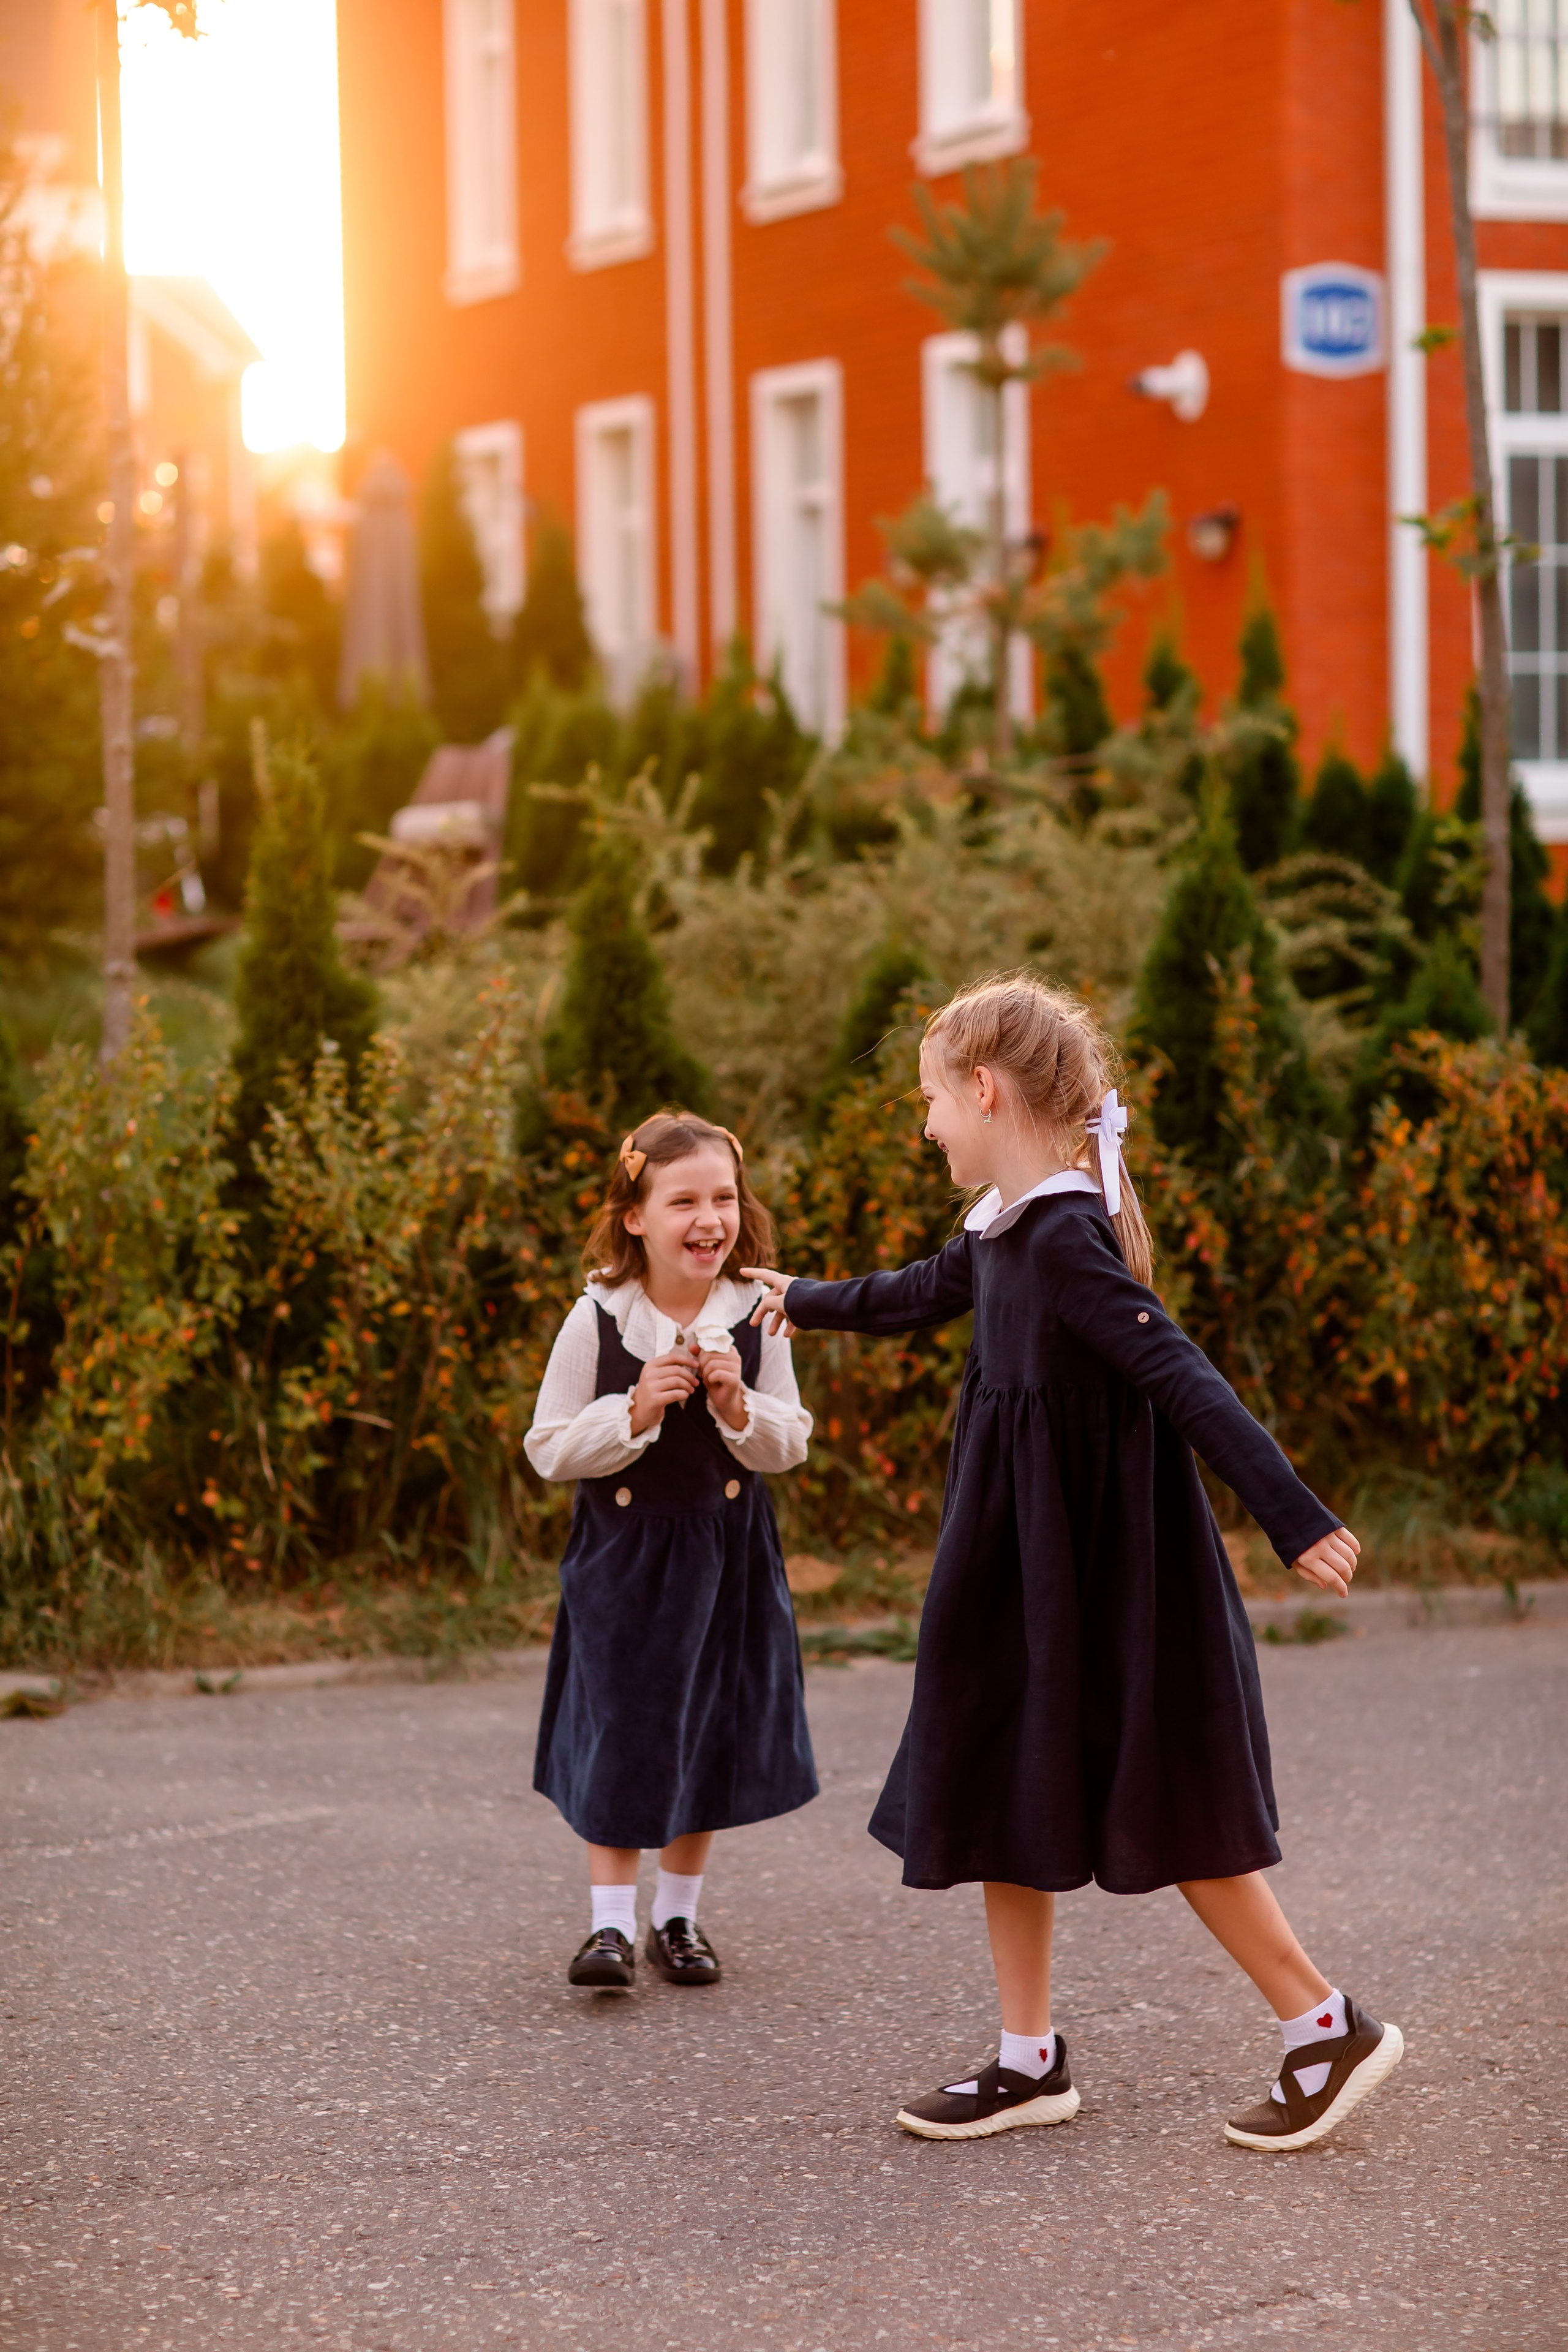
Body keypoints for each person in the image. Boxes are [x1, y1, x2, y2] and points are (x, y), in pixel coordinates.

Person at [746, 973, 1403, 2149]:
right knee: (1006, 1776)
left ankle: (1324, 2025)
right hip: (1019, 1568)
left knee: (1169, 1791)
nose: (926, 1124)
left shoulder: (1062, 1239)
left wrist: (1292, 1514)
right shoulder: (1002, 1231)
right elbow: (911, 1295)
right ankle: (1028, 2058)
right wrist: (803, 1299)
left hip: (1103, 1580)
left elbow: (1182, 1373)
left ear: (986, 1091)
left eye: (931, 1100)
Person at [526, 1111, 816, 1994]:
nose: (709, 1219)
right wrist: (635, 1412)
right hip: (625, 1561)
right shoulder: (600, 1318)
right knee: (623, 1723)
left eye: (723, 1197)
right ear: (635, 1218)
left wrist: (737, 1409)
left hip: (727, 1554)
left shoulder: (759, 1316)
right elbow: (547, 1446)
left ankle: (677, 1917)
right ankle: (608, 1927)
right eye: (683, 1199)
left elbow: (790, 1441)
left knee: (708, 1723)